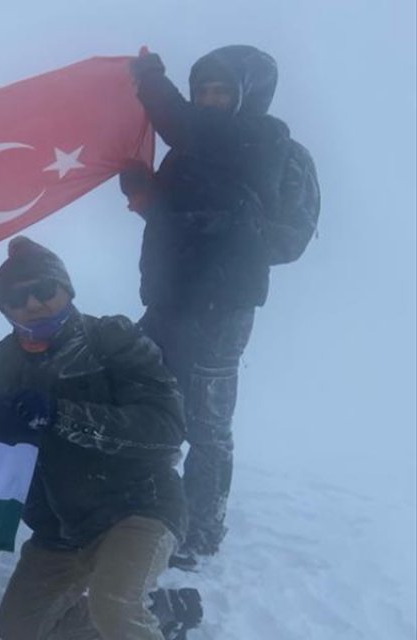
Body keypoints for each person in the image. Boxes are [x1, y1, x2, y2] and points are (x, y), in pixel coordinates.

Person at [123, 46, 320, 567]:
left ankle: (201, 528)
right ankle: (153, 508)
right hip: (169, 296)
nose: (209, 101)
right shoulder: (186, 150)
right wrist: (148, 202)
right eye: (203, 91)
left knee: (206, 420)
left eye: (222, 92)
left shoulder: (278, 146)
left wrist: (239, 233)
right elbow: (174, 220)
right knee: (153, 402)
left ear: (246, 95)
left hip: (224, 305)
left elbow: (293, 237)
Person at [0, 236, 199, 639]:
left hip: (138, 506)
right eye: (17, 297)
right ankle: (160, 612)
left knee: (115, 606)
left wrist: (62, 414)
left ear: (67, 289)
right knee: (19, 630)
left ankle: (132, 615)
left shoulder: (113, 339)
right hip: (60, 530)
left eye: (44, 289)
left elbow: (165, 429)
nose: (34, 303)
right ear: (3, 308)